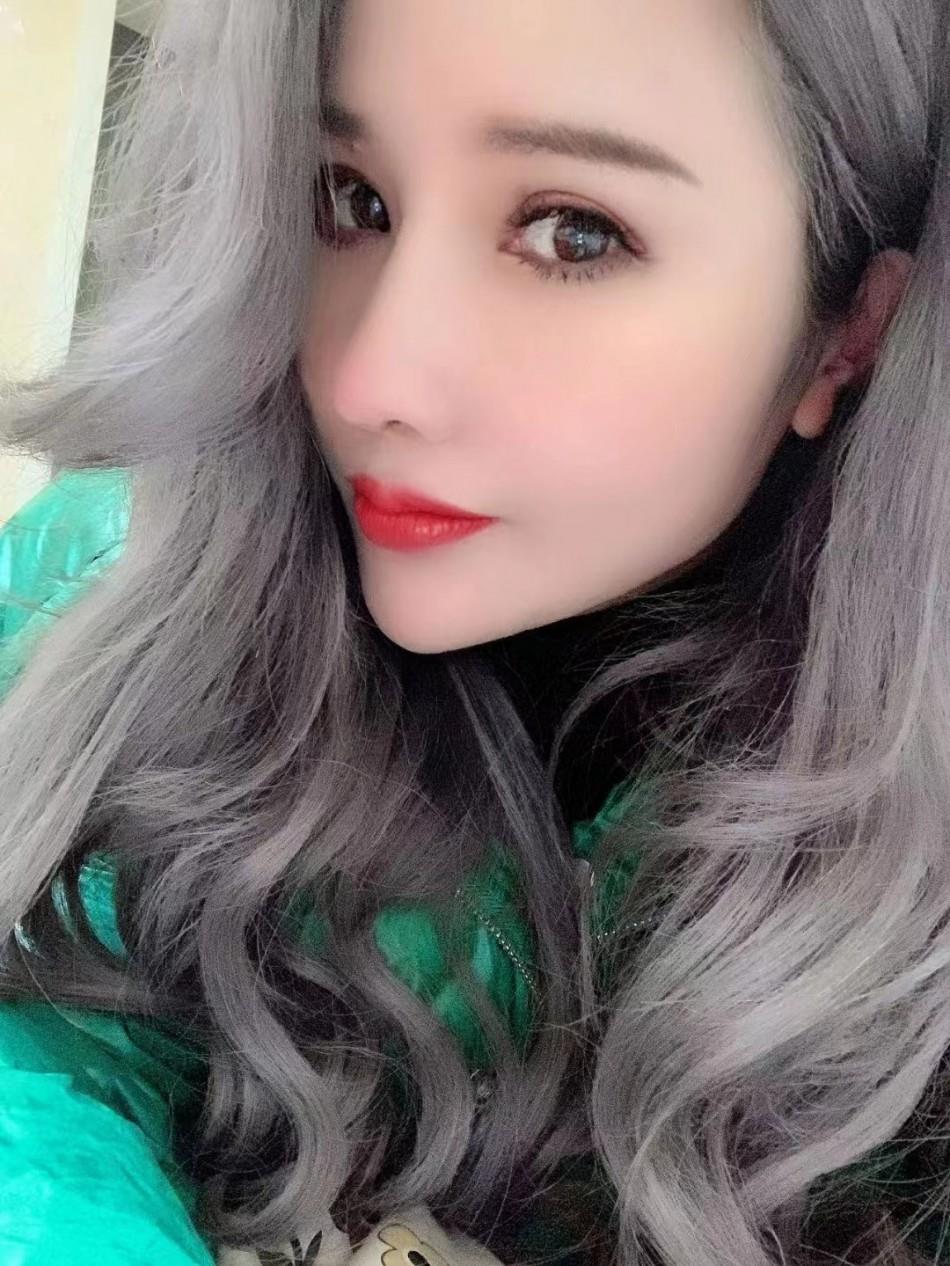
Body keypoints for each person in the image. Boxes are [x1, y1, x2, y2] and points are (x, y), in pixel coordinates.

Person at [0, 0, 947, 1262]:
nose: (367, 378)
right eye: (350, 199)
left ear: (847, 335)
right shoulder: (110, 581)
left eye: (571, 233)